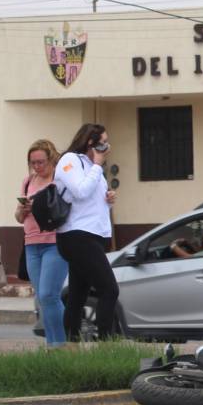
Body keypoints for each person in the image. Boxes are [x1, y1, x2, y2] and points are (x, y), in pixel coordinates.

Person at [54, 123, 118, 341]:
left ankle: (71, 344)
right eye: (103, 142)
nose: (107, 148)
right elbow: (80, 191)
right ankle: (107, 345)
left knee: (77, 296)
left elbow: (92, 205)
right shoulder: (70, 160)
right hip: (76, 236)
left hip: (93, 235)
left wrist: (108, 200)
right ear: (91, 142)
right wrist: (98, 166)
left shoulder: (93, 168)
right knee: (109, 289)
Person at [15, 139, 69, 349]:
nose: (37, 167)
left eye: (41, 162)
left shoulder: (60, 179)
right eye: (33, 163)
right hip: (31, 243)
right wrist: (23, 209)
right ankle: (51, 344)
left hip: (54, 242)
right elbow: (19, 217)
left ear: (51, 159)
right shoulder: (28, 182)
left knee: (49, 294)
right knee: (41, 297)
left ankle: (63, 344)